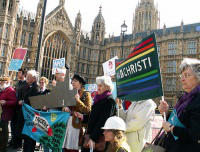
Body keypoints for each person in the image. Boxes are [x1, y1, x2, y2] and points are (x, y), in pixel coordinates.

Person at [159, 58, 200, 152]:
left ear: (198, 77)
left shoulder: (198, 100)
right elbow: (182, 121)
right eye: (181, 75)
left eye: (186, 75)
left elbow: (195, 136)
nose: (182, 79)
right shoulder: (185, 98)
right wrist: (166, 113)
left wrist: (171, 128)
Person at [75, 76, 117, 152]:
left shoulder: (109, 101)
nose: (98, 88)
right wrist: (83, 117)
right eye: (98, 85)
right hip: (90, 136)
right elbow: (94, 117)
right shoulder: (98, 99)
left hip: (98, 139)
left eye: (100, 86)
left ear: (107, 87)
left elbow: (103, 122)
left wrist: (93, 138)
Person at [62, 74, 92, 152]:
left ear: (81, 83)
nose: (73, 82)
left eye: (75, 81)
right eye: (72, 81)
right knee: (65, 148)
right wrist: (65, 108)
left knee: (73, 148)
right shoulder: (69, 93)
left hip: (77, 125)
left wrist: (78, 101)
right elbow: (63, 105)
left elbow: (88, 110)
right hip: (67, 122)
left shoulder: (86, 94)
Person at [16, 70, 40, 152]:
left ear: (33, 78)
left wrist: (24, 102)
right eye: (27, 76)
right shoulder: (25, 85)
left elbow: (34, 101)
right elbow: (19, 95)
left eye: (29, 77)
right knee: (25, 135)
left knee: (30, 136)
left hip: (30, 115)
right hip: (23, 113)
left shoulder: (36, 87)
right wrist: (20, 100)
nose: (27, 78)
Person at [9, 68, 27, 149]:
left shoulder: (26, 84)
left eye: (19, 73)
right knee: (13, 124)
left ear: (24, 74)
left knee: (19, 125)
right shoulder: (18, 83)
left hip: (21, 107)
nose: (18, 74)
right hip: (15, 106)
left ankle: (18, 143)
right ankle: (13, 140)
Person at [0, 76, 17, 152]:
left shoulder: (11, 90)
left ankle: (3, 148)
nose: (0, 84)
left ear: (7, 82)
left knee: (4, 131)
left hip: (6, 114)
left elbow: (14, 102)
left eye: (1, 82)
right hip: (1, 113)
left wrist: (6, 102)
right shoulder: (3, 90)